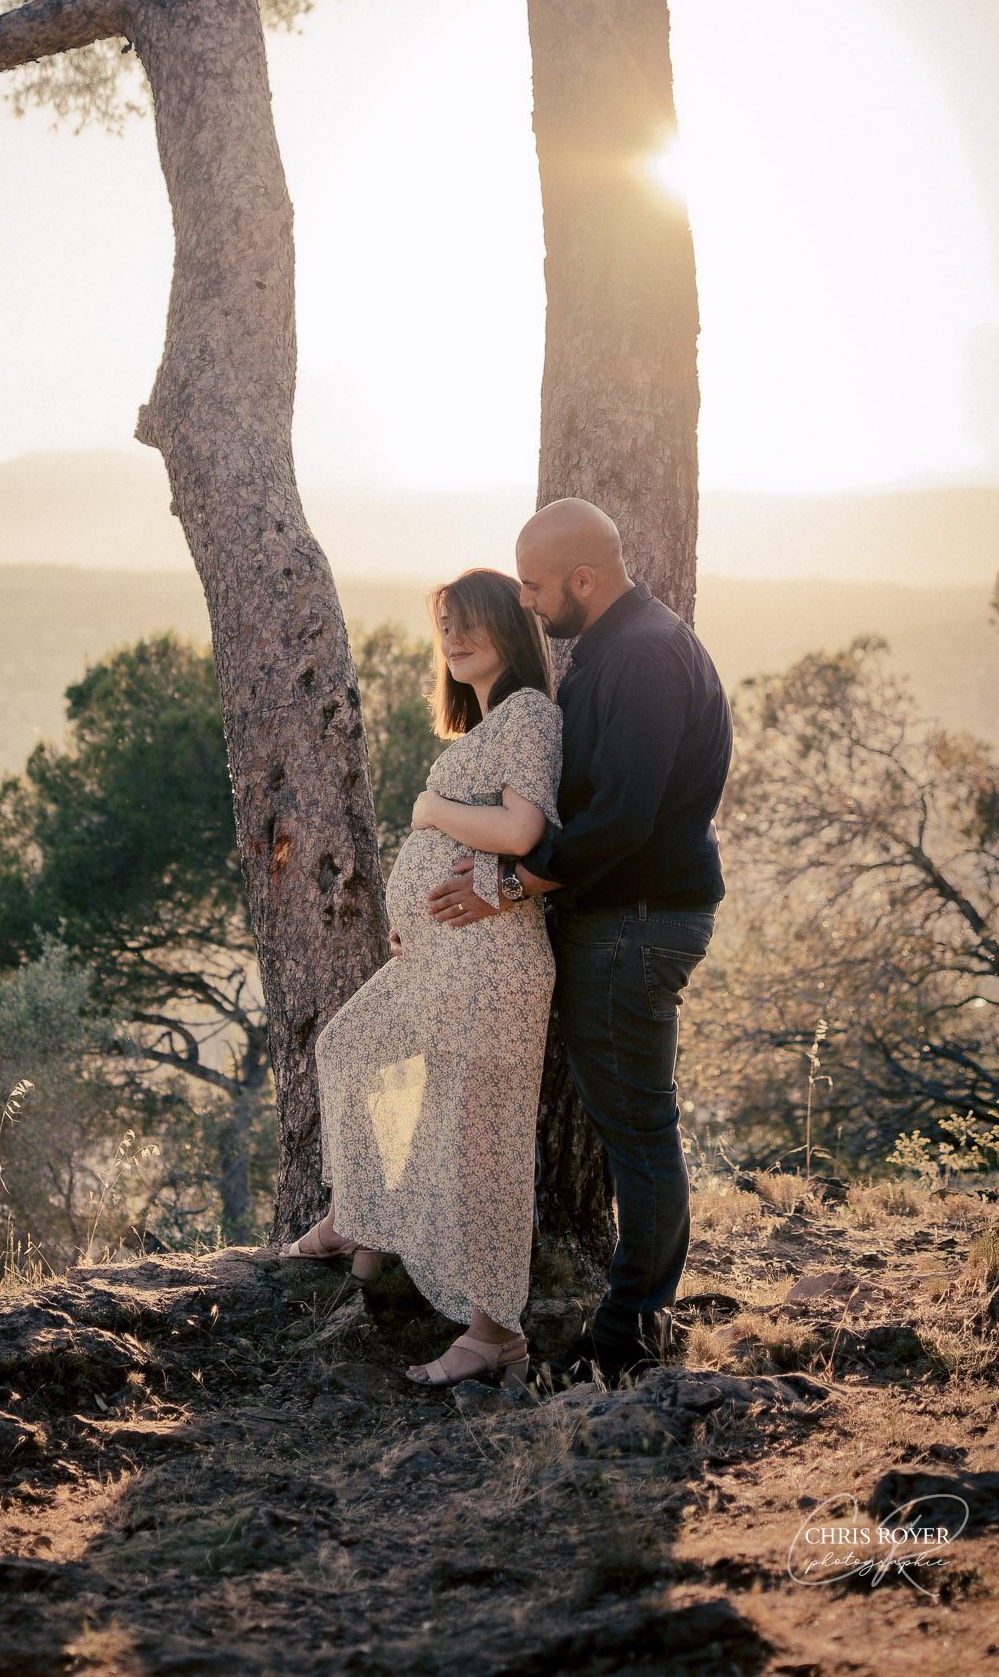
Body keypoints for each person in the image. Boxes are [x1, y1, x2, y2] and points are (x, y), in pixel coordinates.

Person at [427, 500, 733, 1387]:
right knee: (637, 1127)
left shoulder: (637, 655)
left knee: (638, 1134)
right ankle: (633, 1318)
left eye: (534, 586)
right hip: (631, 921)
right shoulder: (620, 643)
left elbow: (623, 818)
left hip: (634, 926)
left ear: (583, 581)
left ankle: (626, 1339)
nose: (526, 603)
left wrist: (515, 884)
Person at [280, 567, 563, 1390]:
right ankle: (360, 1217)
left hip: (494, 967)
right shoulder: (482, 725)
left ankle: (493, 1334)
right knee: (350, 1049)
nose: (454, 635)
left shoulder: (529, 714)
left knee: (482, 1144)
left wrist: (430, 814)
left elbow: (521, 827)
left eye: (470, 620)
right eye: (443, 622)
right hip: (445, 962)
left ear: (511, 628)